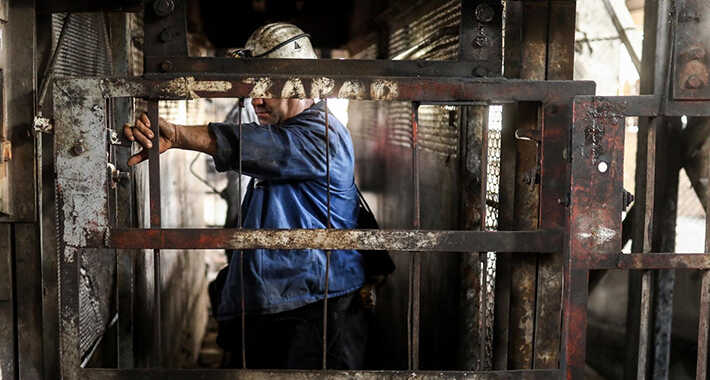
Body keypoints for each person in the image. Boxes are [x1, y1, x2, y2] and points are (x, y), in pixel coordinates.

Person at [124, 23, 368, 369]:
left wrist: (178, 134)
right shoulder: (290, 130)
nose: (256, 99)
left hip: (316, 308)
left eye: (267, 87)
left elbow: (259, 147)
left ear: (302, 83)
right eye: (254, 87)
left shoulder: (323, 136)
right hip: (285, 305)